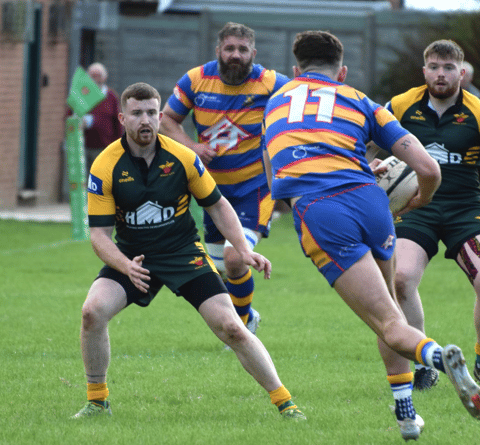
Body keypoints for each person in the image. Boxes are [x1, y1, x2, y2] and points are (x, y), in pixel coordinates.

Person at [262, 30, 480, 441]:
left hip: (322, 211)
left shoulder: (275, 101)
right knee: (390, 315)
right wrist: (419, 199)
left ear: (295, 71)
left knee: (386, 321)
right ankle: (406, 414)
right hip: (372, 204)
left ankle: (438, 357)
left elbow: (277, 173)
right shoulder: (361, 101)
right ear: (342, 71)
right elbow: (430, 169)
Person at [72, 82, 305, 420]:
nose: (146, 120)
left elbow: (218, 206)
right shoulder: (106, 165)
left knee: (232, 327)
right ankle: (97, 402)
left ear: (160, 115)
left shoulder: (183, 157)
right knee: (92, 312)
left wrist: (242, 249)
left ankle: (286, 403)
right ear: (122, 118)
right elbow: (99, 235)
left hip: (183, 253)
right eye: (137, 113)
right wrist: (124, 265)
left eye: (152, 112)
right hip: (133, 259)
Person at [371, 39, 480, 392]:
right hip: (414, 208)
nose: (441, 74)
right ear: (424, 71)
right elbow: (362, 146)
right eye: (435, 67)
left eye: (449, 68)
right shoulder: (398, 106)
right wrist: (368, 166)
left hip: (464, 209)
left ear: (463, 73)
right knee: (402, 279)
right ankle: (423, 360)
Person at [160, 23, 291, 333]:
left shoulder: (271, 82)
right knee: (220, 269)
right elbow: (167, 120)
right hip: (212, 192)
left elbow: (300, 107)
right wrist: (192, 147)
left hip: (255, 188)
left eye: (243, 50)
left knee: (235, 259)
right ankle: (248, 315)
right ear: (218, 51)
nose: (236, 55)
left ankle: (242, 326)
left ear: (253, 53)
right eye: (230, 49)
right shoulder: (195, 80)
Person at [80, 63, 123, 173]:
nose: (95, 79)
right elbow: (70, 115)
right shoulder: (81, 94)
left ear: (104, 77)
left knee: (100, 177)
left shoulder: (111, 96)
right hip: (82, 146)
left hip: (103, 147)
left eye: (98, 76)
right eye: (92, 76)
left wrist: (117, 146)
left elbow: (117, 123)